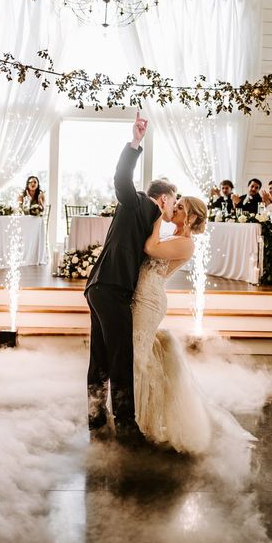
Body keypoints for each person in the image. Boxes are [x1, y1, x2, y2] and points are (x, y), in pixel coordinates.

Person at [133, 196, 253, 453]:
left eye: (180, 208)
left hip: (149, 301)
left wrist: (156, 216)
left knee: (138, 357)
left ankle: (140, 421)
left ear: (193, 218)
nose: (174, 209)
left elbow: (150, 249)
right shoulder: (172, 236)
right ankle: (140, 414)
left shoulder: (186, 244)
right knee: (138, 355)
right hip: (141, 297)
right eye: (175, 206)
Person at [85, 112, 177, 444]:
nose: (173, 209)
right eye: (174, 202)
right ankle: (126, 425)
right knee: (121, 357)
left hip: (100, 287)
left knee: (100, 358)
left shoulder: (148, 219)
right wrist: (135, 142)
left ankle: (96, 417)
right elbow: (123, 180)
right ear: (164, 198)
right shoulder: (139, 202)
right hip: (110, 288)